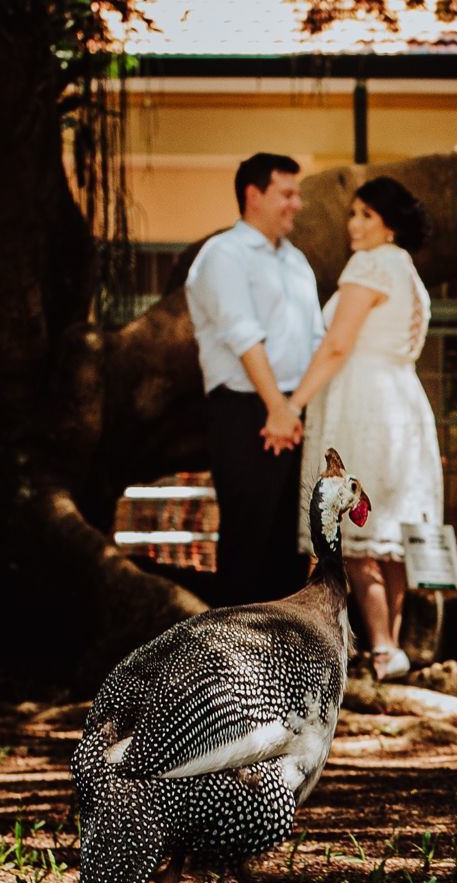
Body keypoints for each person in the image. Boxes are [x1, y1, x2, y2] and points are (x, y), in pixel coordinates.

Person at [288, 176, 444, 682]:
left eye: (366, 215)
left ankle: (380, 647)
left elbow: (337, 344)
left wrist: (293, 403)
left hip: (365, 404)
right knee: (387, 538)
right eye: (353, 214)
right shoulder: (406, 270)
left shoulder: (372, 264)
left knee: (357, 533)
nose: (354, 224)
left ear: (389, 225)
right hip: (403, 403)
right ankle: (391, 647)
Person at [185, 153, 324, 605]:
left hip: (294, 415)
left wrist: (294, 409)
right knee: (248, 542)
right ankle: (235, 644)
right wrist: (276, 409)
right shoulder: (223, 255)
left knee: (291, 546)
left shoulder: (297, 261)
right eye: (287, 193)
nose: (297, 203)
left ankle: (283, 644)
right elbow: (242, 334)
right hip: (245, 413)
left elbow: (316, 339)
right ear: (254, 195)